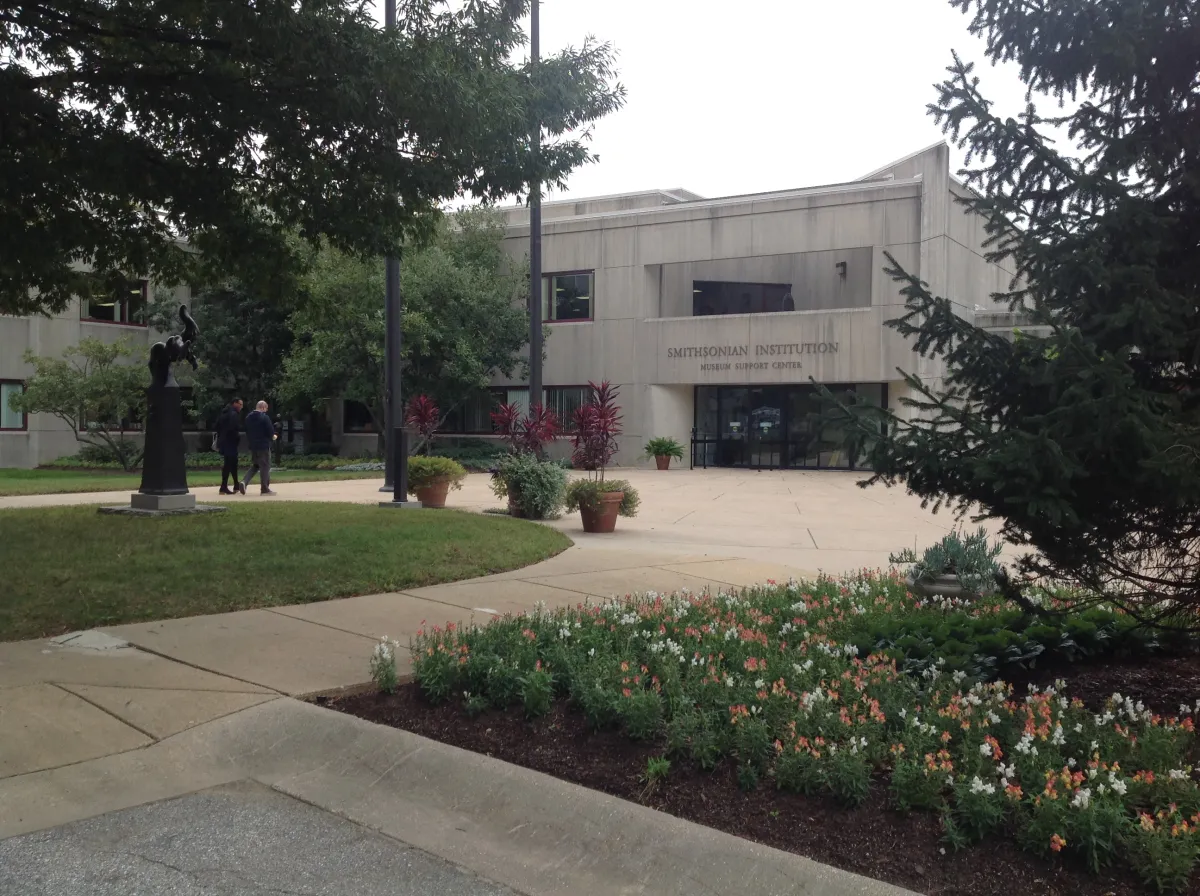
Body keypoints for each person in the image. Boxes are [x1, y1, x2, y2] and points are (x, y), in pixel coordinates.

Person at [242, 400, 277, 495]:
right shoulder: (264, 417)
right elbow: (270, 431)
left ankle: (244, 481)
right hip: (263, 445)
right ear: (262, 407)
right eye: (265, 409)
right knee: (265, 466)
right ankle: (264, 488)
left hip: (253, 445)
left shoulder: (248, 417)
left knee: (256, 465)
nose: (266, 411)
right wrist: (274, 436)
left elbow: (247, 431)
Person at [215, 398, 245, 495]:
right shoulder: (233, 414)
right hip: (230, 442)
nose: (241, 406)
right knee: (229, 464)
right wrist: (237, 437)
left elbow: (217, 426)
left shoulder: (224, 413)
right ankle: (223, 487)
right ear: (235, 403)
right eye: (240, 404)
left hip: (224, 441)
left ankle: (235, 485)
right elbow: (233, 428)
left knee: (232, 464)